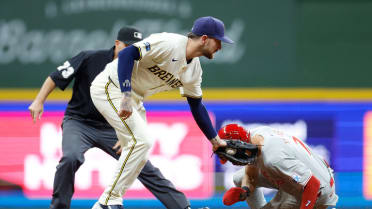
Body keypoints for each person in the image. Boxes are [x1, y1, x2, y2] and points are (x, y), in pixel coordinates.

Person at [28, 26, 198, 209]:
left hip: (111, 128)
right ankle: (59, 206)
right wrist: (39, 101)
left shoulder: (139, 65)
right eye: (128, 45)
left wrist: (124, 133)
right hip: (79, 122)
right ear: (117, 44)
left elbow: (136, 102)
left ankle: (182, 206)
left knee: (142, 164)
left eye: (137, 45)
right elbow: (56, 76)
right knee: (71, 157)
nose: (133, 49)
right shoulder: (90, 57)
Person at [89, 16, 232, 209]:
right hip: (111, 87)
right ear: (204, 38)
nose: (220, 47)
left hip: (135, 99)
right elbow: (126, 54)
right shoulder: (169, 43)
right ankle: (107, 202)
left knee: (140, 150)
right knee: (142, 141)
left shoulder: (194, 70)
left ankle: (112, 201)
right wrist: (126, 94)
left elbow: (196, 105)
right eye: (218, 41)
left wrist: (215, 140)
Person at [218, 124, 338, 209]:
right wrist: (245, 191)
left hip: (319, 191)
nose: (233, 162)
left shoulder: (273, 159)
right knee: (239, 178)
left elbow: (313, 185)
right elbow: (251, 176)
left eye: (231, 156)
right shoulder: (254, 137)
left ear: (239, 145)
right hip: (299, 176)